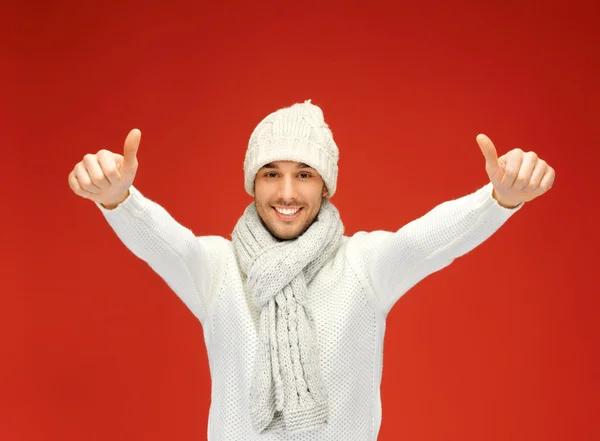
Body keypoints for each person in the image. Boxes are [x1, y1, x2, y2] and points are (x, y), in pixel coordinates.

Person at [67, 99, 555, 440]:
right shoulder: (218, 268)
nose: (285, 193)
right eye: (270, 173)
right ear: (251, 184)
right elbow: (163, 243)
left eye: (304, 175)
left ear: (326, 188)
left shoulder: (364, 265)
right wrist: (117, 198)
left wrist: (499, 199)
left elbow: (428, 240)